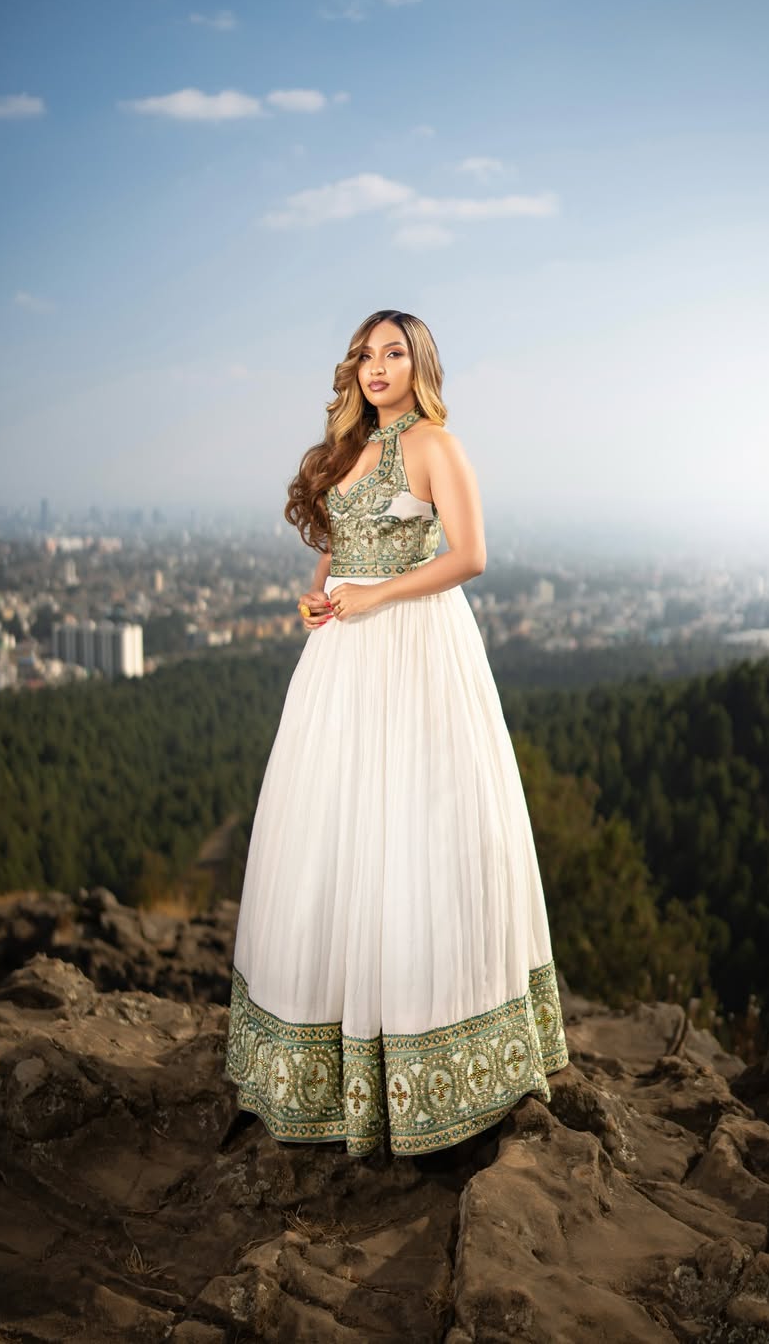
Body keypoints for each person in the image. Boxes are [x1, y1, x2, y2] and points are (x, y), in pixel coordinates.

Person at [223, 309, 569, 1158]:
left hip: (415, 649)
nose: (377, 367)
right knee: (329, 831)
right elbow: (335, 549)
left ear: (420, 367)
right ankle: (324, 1064)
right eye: (367, 354)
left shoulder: (434, 446)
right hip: (341, 658)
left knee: (417, 827)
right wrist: (322, 594)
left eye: (394, 353)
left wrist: (377, 595)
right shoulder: (342, 452)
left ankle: (438, 1058)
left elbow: (472, 554)